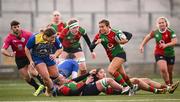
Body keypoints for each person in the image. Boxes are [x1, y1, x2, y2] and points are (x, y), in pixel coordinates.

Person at [1, 20, 44, 95]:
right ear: (11, 28)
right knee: (26, 77)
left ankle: (46, 85)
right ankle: (37, 87)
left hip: (29, 55)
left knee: (32, 72)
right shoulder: (9, 37)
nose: (17, 28)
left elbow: (36, 38)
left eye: (18, 26)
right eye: (15, 27)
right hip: (19, 58)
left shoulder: (27, 34)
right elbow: (3, 50)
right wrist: (10, 54)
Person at [90, 19, 133, 89]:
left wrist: (125, 40)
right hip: (111, 57)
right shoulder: (99, 35)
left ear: (108, 26)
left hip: (120, 54)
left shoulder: (115, 32)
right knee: (123, 75)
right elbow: (91, 46)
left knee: (111, 70)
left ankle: (125, 87)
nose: (101, 28)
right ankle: (132, 87)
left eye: (102, 27)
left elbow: (129, 34)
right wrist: (96, 43)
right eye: (99, 27)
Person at [25, 27, 67, 96]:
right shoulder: (34, 38)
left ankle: (45, 87)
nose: (54, 40)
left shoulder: (54, 38)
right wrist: (31, 60)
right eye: (52, 38)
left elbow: (60, 48)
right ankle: (53, 90)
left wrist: (55, 55)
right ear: (46, 36)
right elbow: (26, 48)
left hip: (48, 57)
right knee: (45, 76)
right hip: (37, 58)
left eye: (54, 38)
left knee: (55, 76)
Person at [139, 17, 178, 86]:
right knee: (163, 69)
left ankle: (171, 82)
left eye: (163, 22)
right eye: (159, 23)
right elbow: (147, 37)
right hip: (159, 53)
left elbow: (175, 41)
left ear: (166, 23)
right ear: (158, 24)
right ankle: (168, 85)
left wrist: (166, 45)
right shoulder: (155, 32)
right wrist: (142, 45)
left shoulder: (170, 32)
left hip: (170, 54)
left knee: (169, 71)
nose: (161, 24)